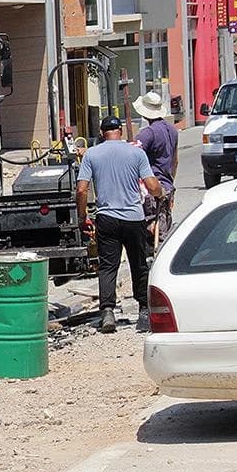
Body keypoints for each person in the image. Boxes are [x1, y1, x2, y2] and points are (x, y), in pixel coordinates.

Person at [76, 116, 165, 334]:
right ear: (121, 131)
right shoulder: (136, 153)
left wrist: (82, 216)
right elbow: (152, 185)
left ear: (101, 132)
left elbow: (81, 190)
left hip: (106, 218)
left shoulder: (91, 154)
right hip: (133, 218)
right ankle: (144, 311)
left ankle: (107, 312)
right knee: (139, 263)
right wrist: (161, 193)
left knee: (108, 266)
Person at [132, 91, 178, 245]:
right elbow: (175, 161)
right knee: (163, 226)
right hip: (166, 185)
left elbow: (132, 156)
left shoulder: (148, 133)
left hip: (152, 189)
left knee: (152, 232)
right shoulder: (172, 130)